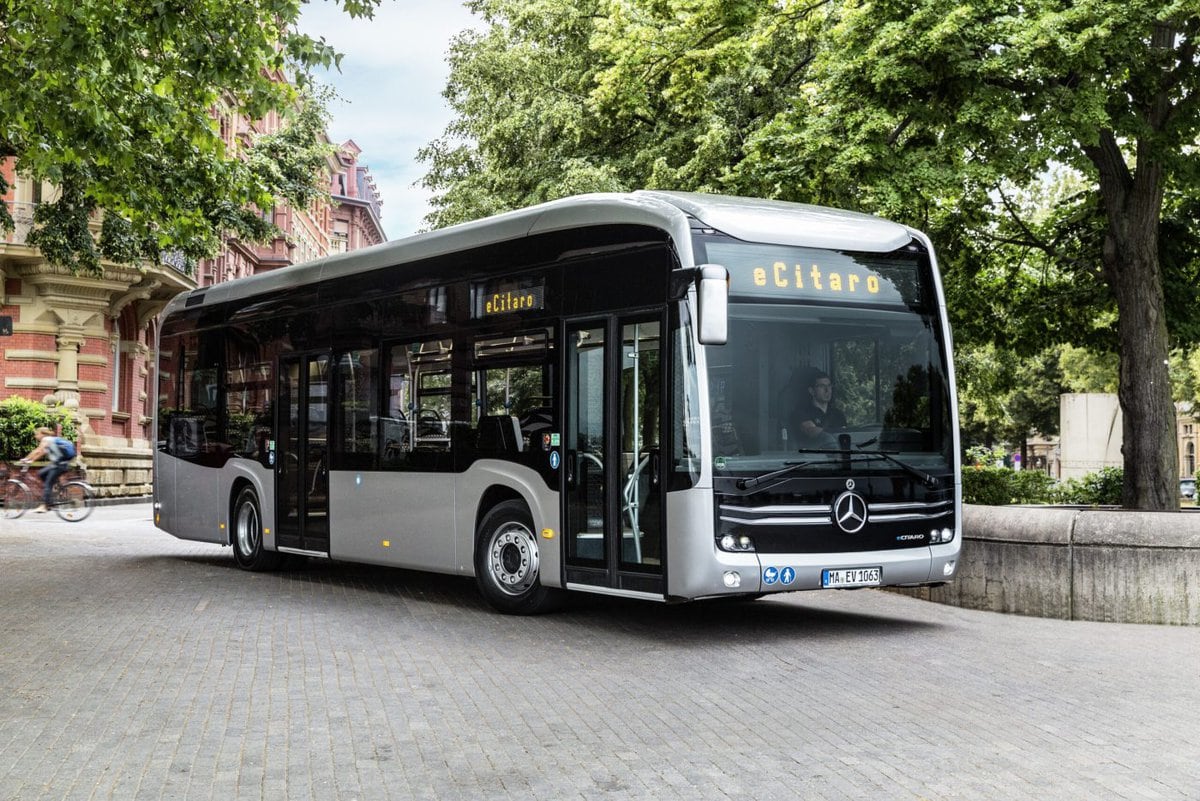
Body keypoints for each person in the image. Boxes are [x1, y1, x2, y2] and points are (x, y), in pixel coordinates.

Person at [21, 427, 75, 513]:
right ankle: (50, 497)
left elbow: (38, 450)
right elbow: (41, 453)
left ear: (42, 434)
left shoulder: (46, 439)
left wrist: (25, 459)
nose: (36, 436)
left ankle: (45, 506)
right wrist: (31, 460)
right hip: (60, 464)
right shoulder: (51, 441)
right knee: (41, 473)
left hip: (59, 465)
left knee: (48, 484)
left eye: (37, 434)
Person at [791, 370, 846, 446]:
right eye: (822, 386)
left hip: (839, 455)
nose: (827, 390)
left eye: (829, 386)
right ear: (811, 391)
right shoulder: (801, 412)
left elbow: (845, 436)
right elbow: (810, 430)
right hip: (813, 456)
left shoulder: (838, 414)